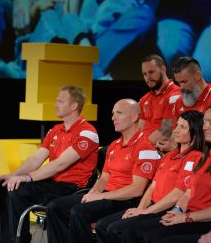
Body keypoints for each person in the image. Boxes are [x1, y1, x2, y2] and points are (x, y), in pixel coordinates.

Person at [0, 85, 100, 242]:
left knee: (18, 191)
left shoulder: (87, 132)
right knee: (4, 186)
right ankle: (6, 239)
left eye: (60, 101)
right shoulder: (55, 130)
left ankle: (18, 240)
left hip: (71, 188)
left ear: (74, 106)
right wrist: (13, 175)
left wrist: (27, 178)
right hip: (52, 184)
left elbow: (60, 164)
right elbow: (36, 159)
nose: (56, 105)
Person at [45, 98, 161, 243]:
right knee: (55, 206)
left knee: (78, 212)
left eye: (119, 113)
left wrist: (100, 197)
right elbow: (104, 178)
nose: (113, 117)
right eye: (113, 113)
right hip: (107, 195)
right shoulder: (113, 145)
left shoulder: (145, 147)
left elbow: (137, 190)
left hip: (125, 200)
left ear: (134, 117)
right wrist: (93, 193)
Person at [95, 110, 208, 242]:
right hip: (152, 207)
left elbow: (179, 193)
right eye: (176, 125)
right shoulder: (169, 155)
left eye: (182, 127)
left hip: (165, 209)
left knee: (121, 230)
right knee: (103, 225)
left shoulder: (195, 157)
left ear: (195, 133)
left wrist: (146, 212)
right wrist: (140, 209)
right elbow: (152, 186)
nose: (175, 130)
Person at [157, 56, 211, 151]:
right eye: (178, 83)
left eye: (184, 82)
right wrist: (164, 142)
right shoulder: (178, 102)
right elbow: (169, 130)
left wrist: (176, 148)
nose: (181, 87)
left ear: (198, 76)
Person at [138, 54, 180, 145]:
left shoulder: (175, 96)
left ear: (163, 70)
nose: (147, 77)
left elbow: (166, 130)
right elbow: (138, 129)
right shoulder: (144, 99)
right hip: (142, 147)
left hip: (159, 149)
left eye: (151, 72)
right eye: (145, 74)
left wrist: (141, 146)